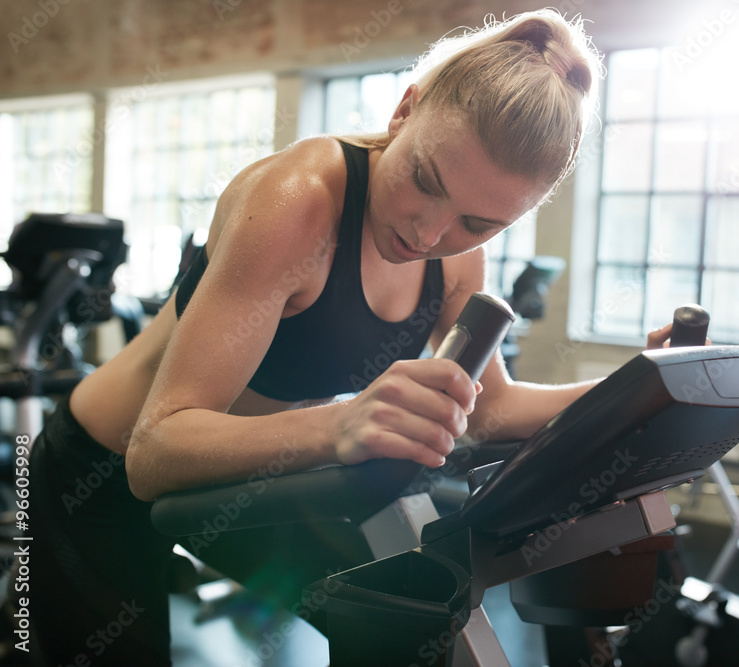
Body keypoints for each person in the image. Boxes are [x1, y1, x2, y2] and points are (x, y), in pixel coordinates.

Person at [7, 9, 676, 665]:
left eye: (477, 221)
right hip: (92, 476)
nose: (427, 233)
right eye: (424, 179)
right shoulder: (297, 201)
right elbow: (152, 450)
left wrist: (645, 386)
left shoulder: (453, 258)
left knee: (406, 616)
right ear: (405, 110)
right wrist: (344, 423)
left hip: (237, 479)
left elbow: (489, 409)